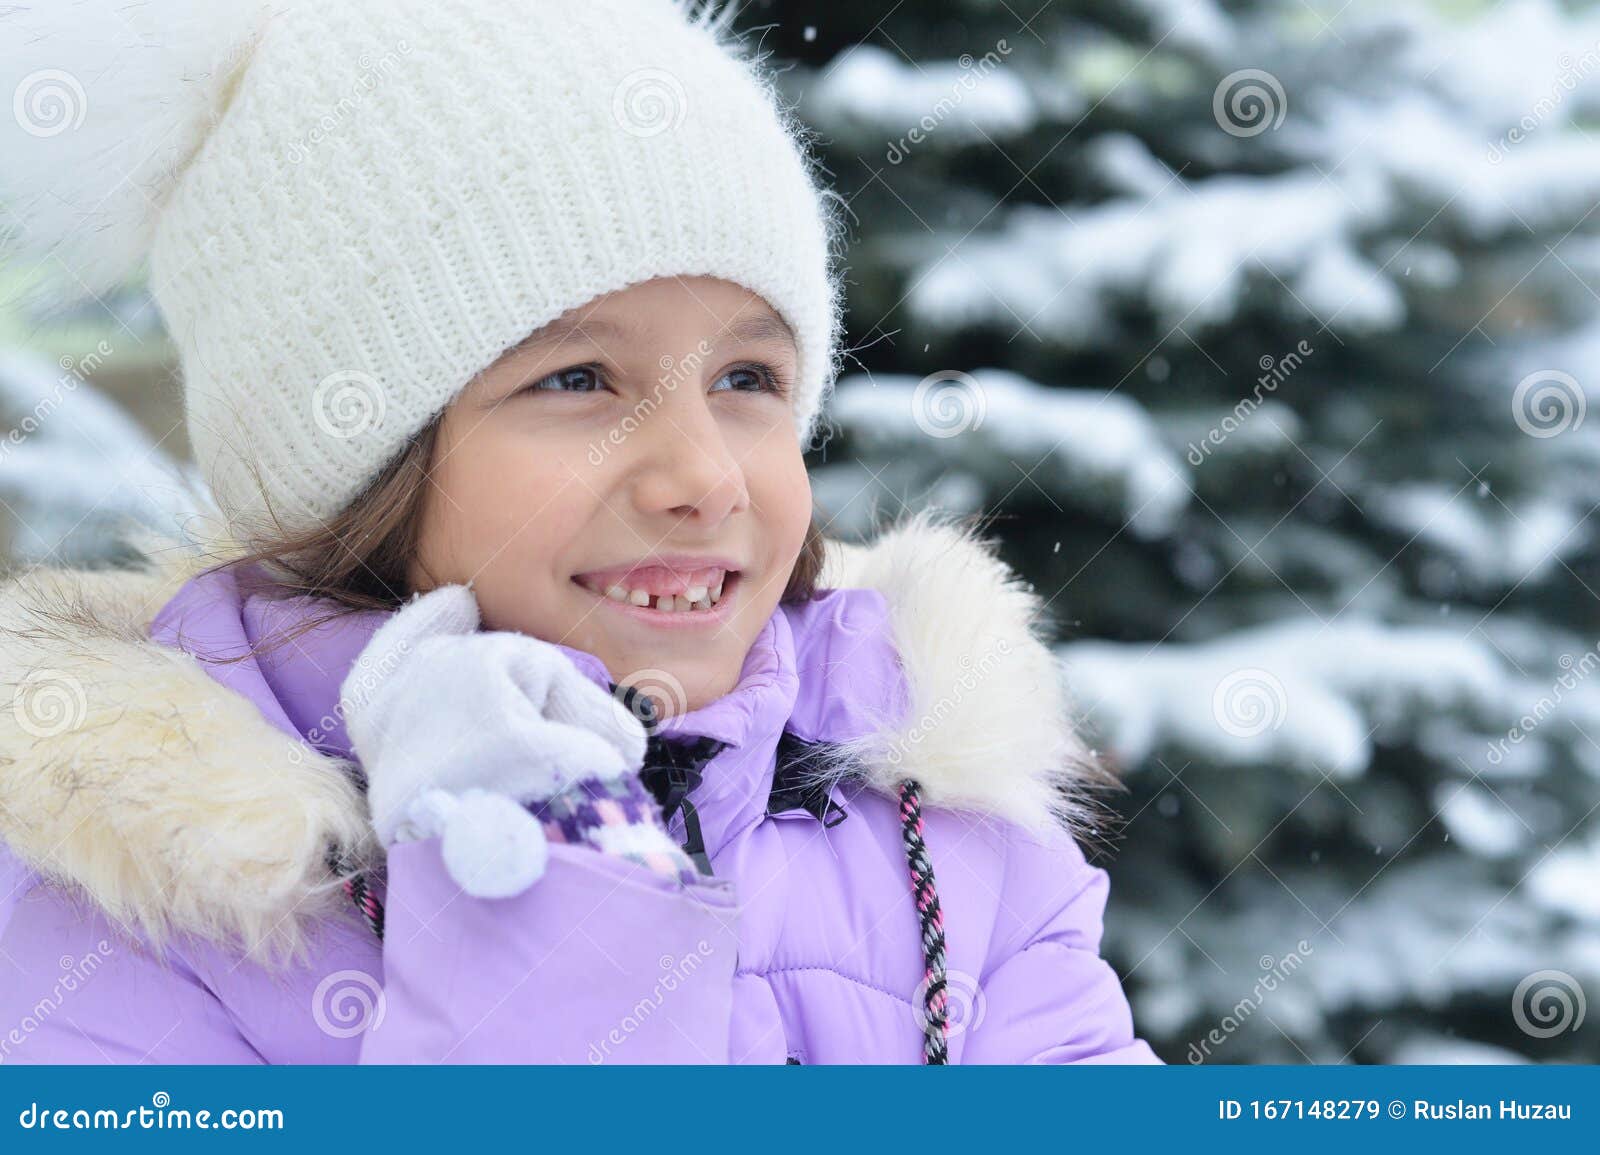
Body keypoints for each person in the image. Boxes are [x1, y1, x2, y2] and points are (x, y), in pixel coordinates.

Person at [0, 0, 1161, 1064]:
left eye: (750, 374)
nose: (703, 476)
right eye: (578, 381)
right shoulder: (132, 899)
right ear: (356, 464)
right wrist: (543, 884)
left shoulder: (944, 832)